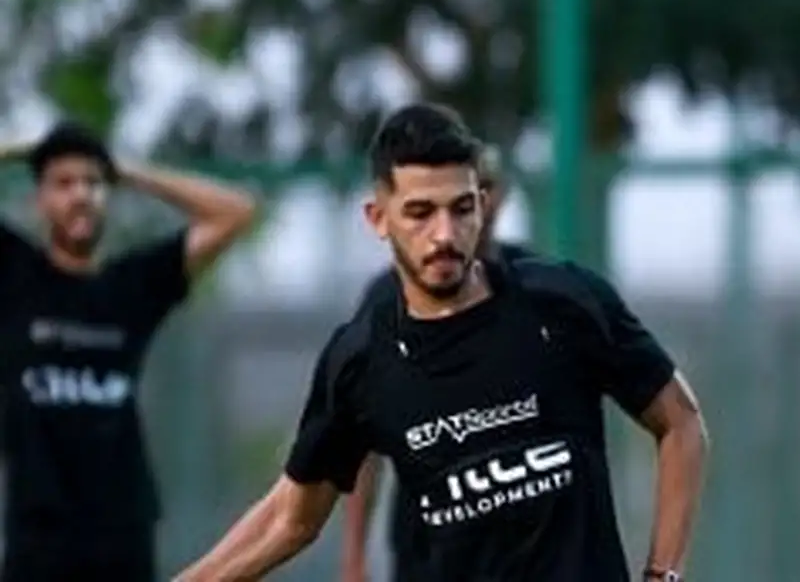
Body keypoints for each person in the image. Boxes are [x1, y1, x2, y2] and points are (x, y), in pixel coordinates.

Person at [178, 104, 708, 582]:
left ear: (483, 205)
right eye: (420, 213)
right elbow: (289, 518)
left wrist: (662, 576)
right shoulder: (362, 358)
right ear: (378, 218)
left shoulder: (562, 302)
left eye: (461, 208)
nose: (445, 235)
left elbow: (681, 424)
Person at [0, 122, 257, 581]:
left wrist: (128, 170)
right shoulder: (14, 271)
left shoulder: (132, 285)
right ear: (40, 198)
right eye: (64, 183)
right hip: (38, 531)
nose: (81, 195)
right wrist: (17, 150)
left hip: (122, 530)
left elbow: (236, 211)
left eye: (93, 183)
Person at [339, 142, 536, 582]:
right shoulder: (387, 300)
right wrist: (354, 556)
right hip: (430, 546)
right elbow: (362, 441)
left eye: (483, 191)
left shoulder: (536, 284)